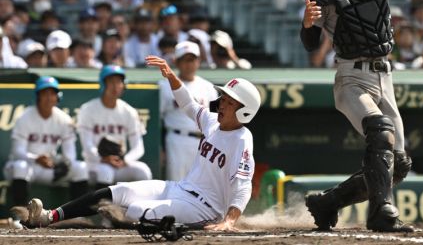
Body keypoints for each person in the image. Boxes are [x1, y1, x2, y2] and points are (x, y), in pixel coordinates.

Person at [24, 56, 261, 231]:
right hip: (179, 188)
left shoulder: (242, 140)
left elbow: (243, 186)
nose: (221, 104)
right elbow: (189, 105)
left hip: (206, 208)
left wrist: (229, 220)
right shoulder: (212, 122)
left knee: (138, 211)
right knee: (119, 191)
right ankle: (48, 216)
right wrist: (171, 76)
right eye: (223, 99)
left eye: (230, 103)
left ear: (245, 112)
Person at [301, 0, 423, 232]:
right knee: (380, 128)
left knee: (399, 164)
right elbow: (311, 44)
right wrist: (307, 24)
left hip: (385, 77)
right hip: (352, 78)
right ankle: (381, 213)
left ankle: (328, 202)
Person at [4, 76, 89, 206]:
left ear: (58, 97)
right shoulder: (25, 117)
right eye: (45, 93)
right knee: (20, 166)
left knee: (80, 168)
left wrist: (62, 164)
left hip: (50, 168)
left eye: (52, 93)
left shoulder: (64, 119)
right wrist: (35, 158)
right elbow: (17, 152)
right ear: (38, 96)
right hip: (26, 166)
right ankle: (20, 217)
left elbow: (70, 155)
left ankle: (79, 215)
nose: (49, 98)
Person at [77, 65, 152, 189]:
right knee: (105, 171)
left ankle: (139, 207)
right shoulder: (88, 109)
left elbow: (138, 147)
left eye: (119, 82)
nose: (115, 86)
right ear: (103, 84)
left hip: (120, 162)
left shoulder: (129, 111)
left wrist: (125, 160)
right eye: (111, 81)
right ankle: (101, 208)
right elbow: (87, 146)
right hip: (95, 163)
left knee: (143, 170)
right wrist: (103, 158)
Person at [160, 41, 218, 180]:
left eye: (192, 60)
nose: (189, 64)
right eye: (185, 60)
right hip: (176, 139)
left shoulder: (208, 87)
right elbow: (158, 119)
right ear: (177, 62)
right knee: (176, 186)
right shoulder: (164, 86)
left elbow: (214, 121)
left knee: (201, 187)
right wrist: (160, 148)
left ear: (198, 61)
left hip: (203, 142)